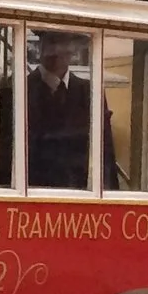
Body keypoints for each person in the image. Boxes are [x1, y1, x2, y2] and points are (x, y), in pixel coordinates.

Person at [25, 33, 118, 189]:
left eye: (63, 43)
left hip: (82, 197)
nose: (54, 51)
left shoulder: (91, 92)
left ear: (74, 50)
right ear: (40, 46)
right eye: (50, 42)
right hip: (33, 199)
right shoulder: (19, 89)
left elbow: (106, 153)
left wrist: (112, 199)